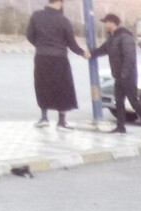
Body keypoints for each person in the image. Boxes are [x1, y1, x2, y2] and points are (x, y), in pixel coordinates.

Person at [26, 0, 88, 129]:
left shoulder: (36, 15)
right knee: (62, 87)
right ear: (60, 3)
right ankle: (61, 121)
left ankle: (44, 118)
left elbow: (29, 35)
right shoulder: (63, 20)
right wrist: (83, 53)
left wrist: (41, 45)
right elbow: (71, 43)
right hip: (59, 58)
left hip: (41, 56)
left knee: (42, 85)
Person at [89, 14, 141, 137]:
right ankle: (121, 127)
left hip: (127, 76)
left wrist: (124, 74)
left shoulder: (125, 37)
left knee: (134, 102)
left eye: (106, 22)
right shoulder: (112, 38)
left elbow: (129, 57)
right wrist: (91, 54)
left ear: (112, 23)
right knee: (118, 101)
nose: (105, 25)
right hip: (119, 76)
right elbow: (102, 50)